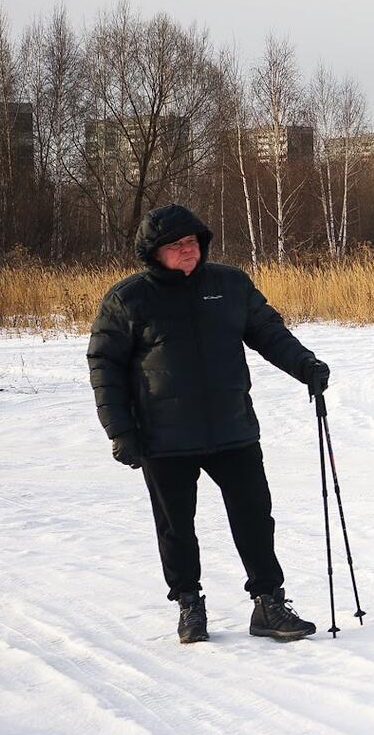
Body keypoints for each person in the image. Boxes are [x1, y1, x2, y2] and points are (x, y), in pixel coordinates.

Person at [88, 204, 333, 644]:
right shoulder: (128, 299)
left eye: (191, 242)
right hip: (163, 436)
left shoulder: (230, 284)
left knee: (255, 516)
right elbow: (105, 367)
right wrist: (120, 431)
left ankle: (268, 603)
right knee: (175, 526)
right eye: (175, 245)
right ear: (153, 252)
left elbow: (268, 332)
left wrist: (305, 366)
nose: (186, 250)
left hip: (231, 427)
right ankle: (188, 603)